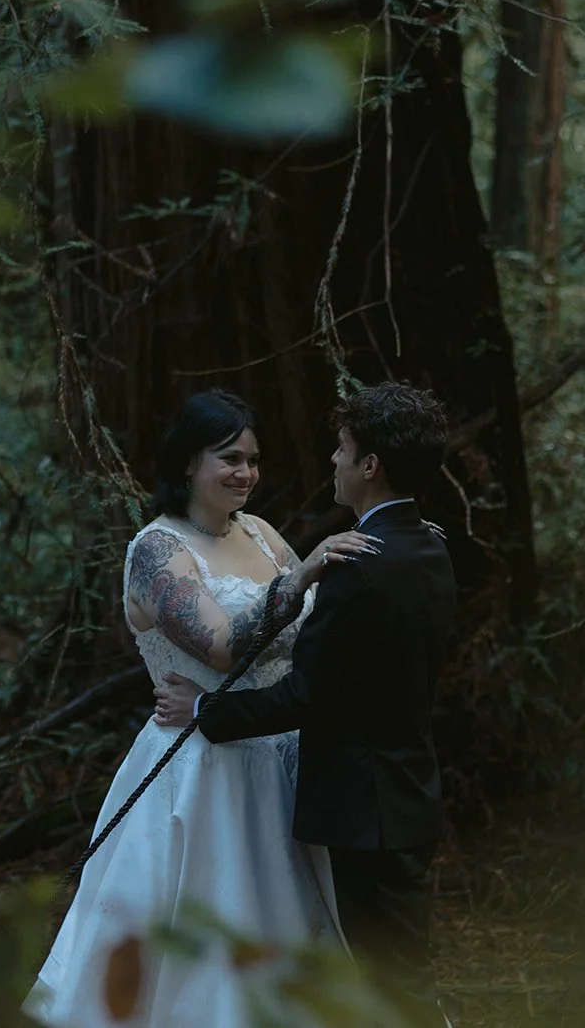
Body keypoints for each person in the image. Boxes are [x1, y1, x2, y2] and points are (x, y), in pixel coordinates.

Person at [25, 389, 379, 1028]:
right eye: (228, 458)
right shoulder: (157, 550)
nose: (245, 472)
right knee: (213, 932)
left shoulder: (261, 533)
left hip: (283, 755)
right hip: (200, 766)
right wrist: (303, 578)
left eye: (252, 458)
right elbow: (218, 646)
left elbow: (313, 635)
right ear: (188, 463)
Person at [156, 381, 457, 1028]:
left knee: (391, 982)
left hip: (364, 807)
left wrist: (208, 712)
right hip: (408, 793)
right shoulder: (431, 547)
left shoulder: (358, 567)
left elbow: (306, 694)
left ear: (370, 464)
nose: (333, 461)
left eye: (343, 449)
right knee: (399, 974)